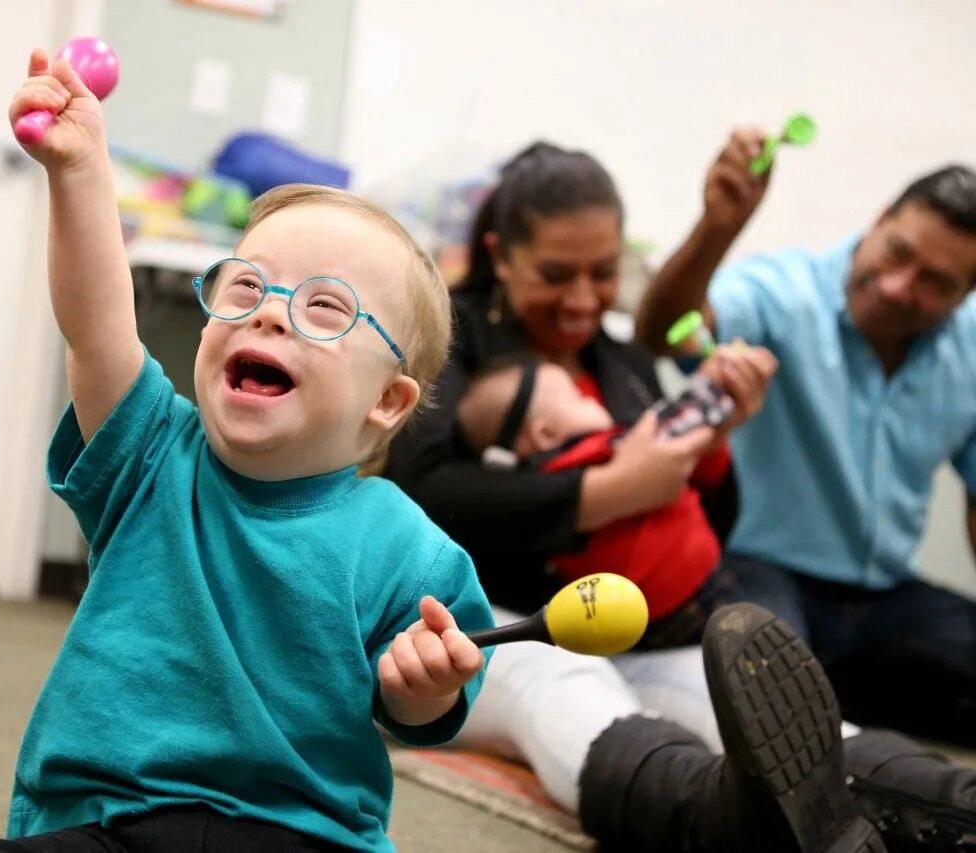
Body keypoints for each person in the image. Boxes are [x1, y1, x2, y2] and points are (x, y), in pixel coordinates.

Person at [0, 49, 494, 853]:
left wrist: (422, 688)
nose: (269, 315)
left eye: (324, 307)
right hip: (112, 817)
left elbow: (422, 712)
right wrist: (78, 167)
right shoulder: (148, 455)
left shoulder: (412, 553)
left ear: (386, 401)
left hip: (297, 831)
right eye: (247, 286)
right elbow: (97, 321)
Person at [387, 140, 976, 851]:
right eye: (554, 274)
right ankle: (720, 822)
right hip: (487, 627)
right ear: (501, 255)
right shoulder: (449, 338)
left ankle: (946, 806)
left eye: (603, 274)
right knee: (566, 680)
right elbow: (422, 488)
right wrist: (603, 491)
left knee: (769, 699)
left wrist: (715, 445)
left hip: (639, 630)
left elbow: (712, 517)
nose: (582, 300)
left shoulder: (619, 361)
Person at [635, 133, 976, 748]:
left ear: (966, 295)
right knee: (759, 672)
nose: (900, 286)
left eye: (936, 283)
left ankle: (843, 701)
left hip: (888, 600)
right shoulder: (782, 292)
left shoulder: (969, 349)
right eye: (897, 252)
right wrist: (717, 229)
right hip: (760, 571)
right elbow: (663, 333)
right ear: (878, 221)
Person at [455, 357, 741, 648]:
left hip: (645, 620)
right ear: (545, 434)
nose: (592, 399)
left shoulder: (541, 503)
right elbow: (675, 422)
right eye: (578, 396)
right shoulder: (597, 453)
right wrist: (708, 388)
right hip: (693, 597)